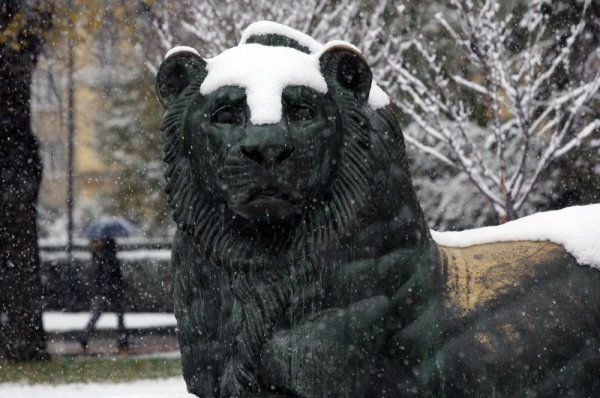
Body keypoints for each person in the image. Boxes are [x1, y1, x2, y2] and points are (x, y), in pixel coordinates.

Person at [79, 237, 128, 350]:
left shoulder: (97, 254)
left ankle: (85, 335)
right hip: (111, 288)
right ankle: (122, 338)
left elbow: (100, 274)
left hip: (103, 288)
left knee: (99, 312)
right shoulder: (108, 254)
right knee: (118, 312)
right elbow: (112, 273)